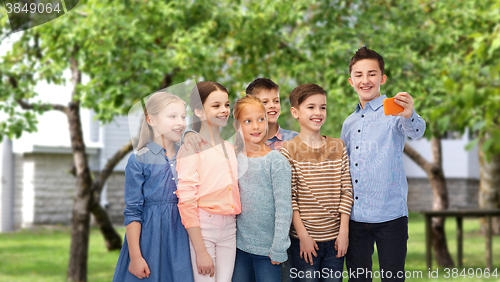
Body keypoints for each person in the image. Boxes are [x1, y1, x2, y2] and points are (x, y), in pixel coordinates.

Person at [340, 46, 426, 281]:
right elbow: (345, 166)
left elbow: (416, 131)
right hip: (356, 218)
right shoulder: (348, 123)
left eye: (372, 73)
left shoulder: (395, 111)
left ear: (382, 78)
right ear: (351, 81)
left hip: (391, 216)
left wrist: (410, 114)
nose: (365, 80)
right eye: (359, 75)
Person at [113, 92, 193, 282]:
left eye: (183, 116)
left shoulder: (189, 155)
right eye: (172, 116)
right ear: (151, 120)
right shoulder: (139, 159)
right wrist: (135, 257)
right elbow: (133, 212)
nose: (181, 122)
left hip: (183, 240)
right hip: (149, 241)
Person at [280, 84, 354, 282]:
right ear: (295, 112)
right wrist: (303, 236)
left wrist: (343, 232)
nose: (318, 112)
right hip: (304, 242)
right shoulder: (288, 151)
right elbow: (290, 198)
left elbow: (347, 190)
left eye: (323, 107)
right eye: (311, 107)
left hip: (335, 241)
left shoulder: (338, 146)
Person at [176, 81, 241, 282]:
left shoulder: (230, 148)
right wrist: (200, 250)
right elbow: (186, 201)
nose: (224, 111)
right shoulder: (190, 148)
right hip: (204, 227)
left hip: (230, 228)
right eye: (216, 106)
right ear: (199, 112)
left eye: (226, 105)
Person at [231, 95, 293, 282]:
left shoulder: (276, 161)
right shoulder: (235, 158)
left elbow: (284, 208)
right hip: (240, 248)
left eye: (261, 119)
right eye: (248, 121)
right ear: (237, 125)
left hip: (268, 251)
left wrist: (278, 248)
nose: (256, 126)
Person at [183, 78, 298, 152]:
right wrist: (188, 134)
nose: (272, 105)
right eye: (264, 102)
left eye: (276, 101)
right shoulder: (238, 145)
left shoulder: (295, 140)